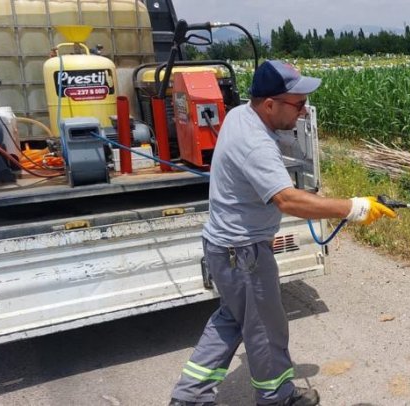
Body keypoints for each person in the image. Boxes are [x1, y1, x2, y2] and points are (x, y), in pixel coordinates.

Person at [169, 60, 396, 406]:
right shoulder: (255, 143)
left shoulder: (239, 115)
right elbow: (287, 200)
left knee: (233, 318)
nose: (304, 112)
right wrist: (354, 208)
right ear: (269, 104)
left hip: (224, 247)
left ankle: (189, 397)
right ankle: (277, 397)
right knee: (265, 328)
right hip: (243, 253)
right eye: (298, 104)